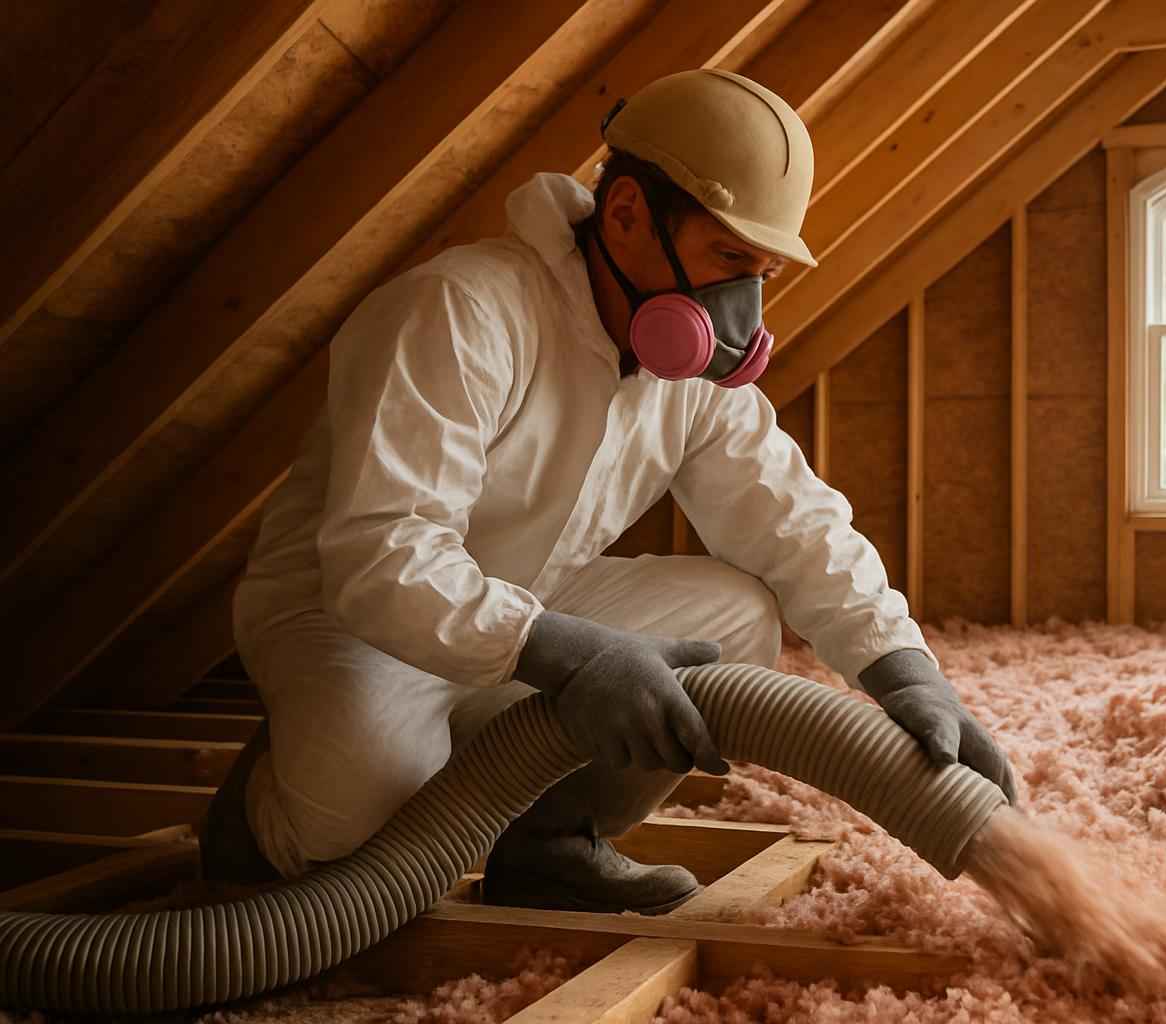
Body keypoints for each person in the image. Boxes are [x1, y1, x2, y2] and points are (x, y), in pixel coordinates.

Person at [204, 68, 1017, 915]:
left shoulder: (689, 375)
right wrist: (575, 653)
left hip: (530, 605)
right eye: (728, 259)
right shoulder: (461, 309)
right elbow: (384, 556)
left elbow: (796, 524)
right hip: (354, 619)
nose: (740, 303)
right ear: (626, 213)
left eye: (761, 272)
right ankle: (257, 819)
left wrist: (905, 671)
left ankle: (552, 844)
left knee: (734, 614)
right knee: (364, 814)